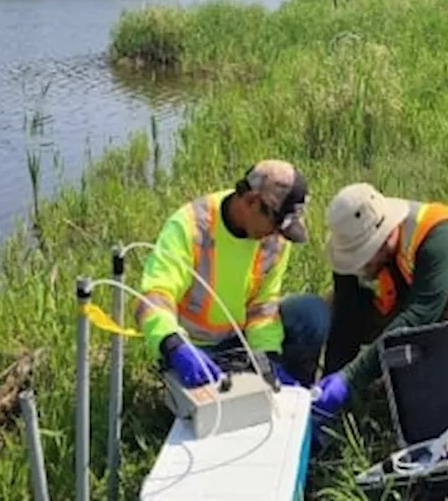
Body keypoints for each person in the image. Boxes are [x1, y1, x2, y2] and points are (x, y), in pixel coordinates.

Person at [309, 182, 448, 418]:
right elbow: (345, 312)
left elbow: (421, 313)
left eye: (364, 256)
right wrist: (333, 384)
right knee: (329, 305)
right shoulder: (351, 240)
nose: (358, 266)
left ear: (387, 235)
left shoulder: (440, 235)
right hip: (412, 300)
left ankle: (446, 385)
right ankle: (383, 383)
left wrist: (351, 377)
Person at [133, 160, 330, 389]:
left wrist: (267, 359)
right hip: (191, 350)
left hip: (241, 340)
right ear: (251, 200)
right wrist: (174, 345)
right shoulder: (191, 226)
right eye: (275, 224)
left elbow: (263, 307)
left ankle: (298, 397)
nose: (277, 235)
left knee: (311, 313)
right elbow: (154, 297)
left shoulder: (274, 241)